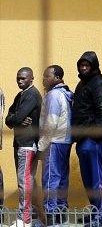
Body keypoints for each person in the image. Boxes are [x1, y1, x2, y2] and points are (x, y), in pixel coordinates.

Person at [71, 51, 102, 227]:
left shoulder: (99, 83)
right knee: (88, 179)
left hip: (93, 139)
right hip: (82, 138)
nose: (83, 67)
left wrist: (96, 134)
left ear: (94, 65)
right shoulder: (82, 83)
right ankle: (96, 211)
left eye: (86, 65)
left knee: (97, 179)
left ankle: (101, 217)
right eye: (81, 65)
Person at [5, 67, 42, 226]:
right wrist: (16, 118)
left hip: (27, 144)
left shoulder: (32, 94)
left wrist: (16, 118)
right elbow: (9, 118)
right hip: (20, 143)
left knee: (24, 183)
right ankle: (32, 217)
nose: (20, 81)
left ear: (31, 79)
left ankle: (24, 220)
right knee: (27, 182)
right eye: (18, 78)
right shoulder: (20, 95)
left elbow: (18, 116)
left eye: (23, 78)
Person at [38, 65, 74, 226]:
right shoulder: (66, 94)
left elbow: (51, 122)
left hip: (53, 142)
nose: (43, 80)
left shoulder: (53, 95)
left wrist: (41, 145)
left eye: (47, 76)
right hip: (65, 141)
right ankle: (61, 213)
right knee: (61, 178)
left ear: (57, 78)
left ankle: (51, 216)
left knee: (51, 179)